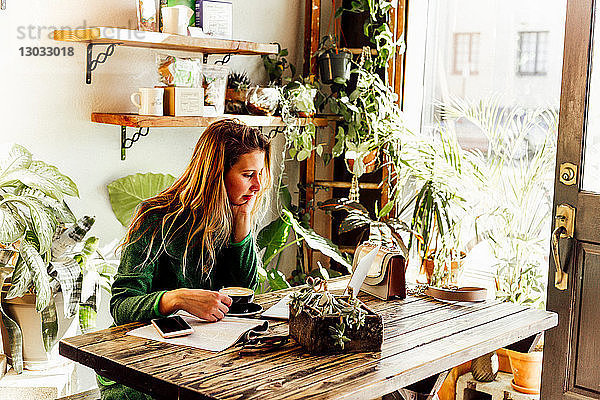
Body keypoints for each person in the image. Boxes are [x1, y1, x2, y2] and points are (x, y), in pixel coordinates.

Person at [97, 119, 272, 400]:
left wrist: (243, 219)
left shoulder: (231, 214)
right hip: (138, 368)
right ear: (216, 173)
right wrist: (176, 299)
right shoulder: (156, 217)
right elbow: (121, 306)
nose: (258, 186)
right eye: (248, 174)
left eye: (260, 174)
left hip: (198, 360)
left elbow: (243, 293)